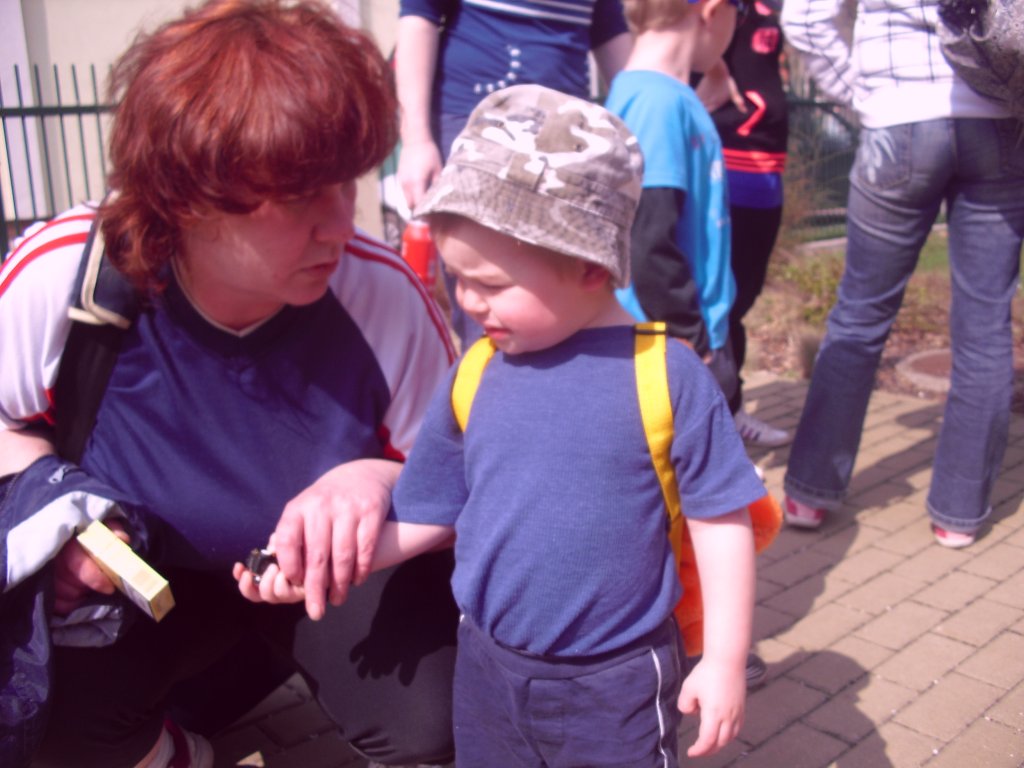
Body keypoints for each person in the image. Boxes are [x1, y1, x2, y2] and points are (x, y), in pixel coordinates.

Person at [241, 83, 761, 766]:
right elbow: (432, 511)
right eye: (458, 279)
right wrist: (327, 566)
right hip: (486, 669)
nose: (468, 302)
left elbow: (722, 523)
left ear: (590, 264)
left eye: (489, 283)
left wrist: (723, 660)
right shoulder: (477, 372)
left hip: (614, 683)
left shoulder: (664, 376)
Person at [0, 2, 459, 766]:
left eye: (346, 183)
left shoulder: (381, 295)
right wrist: (63, 520)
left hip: (321, 586)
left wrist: (371, 477)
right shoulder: (70, 276)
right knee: (40, 711)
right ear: (187, 195)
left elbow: (465, 472)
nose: (339, 225)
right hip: (150, 592)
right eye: (299, 196)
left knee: (432, 720)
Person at [780, 0, 1024, 541]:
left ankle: (810, 493)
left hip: (898, 119)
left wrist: (864, 96)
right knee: (985, 323)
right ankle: (958, 516)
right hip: (999, 123)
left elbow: (804, 17)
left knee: (860, 314)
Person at [394, 0, 633, 346]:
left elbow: (613, 38)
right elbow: (419, 17)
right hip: (483, 136)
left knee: (566, 292)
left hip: (567, 144)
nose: (469, 300)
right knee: (491, 282)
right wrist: (416, 139)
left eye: (488, 287)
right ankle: (492, 370)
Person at [604, 0, 743, 423]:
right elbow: (646, 242)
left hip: (675, 340)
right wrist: (692, 341)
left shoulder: (655, 94)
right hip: (675, 347)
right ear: (713, 11)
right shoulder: (658, 103)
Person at [696, 0, 792, 447]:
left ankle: (730, 411)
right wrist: (716, 69)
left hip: (766, 164)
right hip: (732, 156)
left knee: (743, 296)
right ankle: (717, 423)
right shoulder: (725, 10)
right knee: (722, 301)